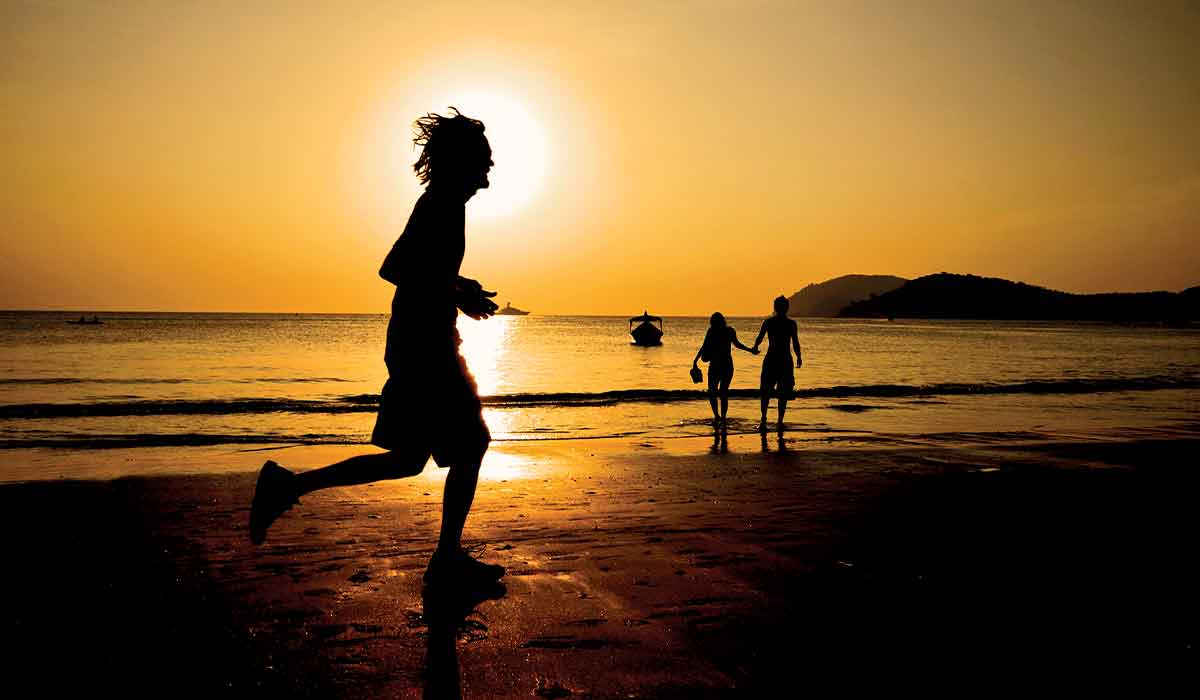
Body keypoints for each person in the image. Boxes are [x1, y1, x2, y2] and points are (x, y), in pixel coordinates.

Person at [249, 108, 504, 586]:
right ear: (462, 161)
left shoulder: (448, 203)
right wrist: (456, 291)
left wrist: (458, 287)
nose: (490, 168)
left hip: (422, 342)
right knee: (472, 444)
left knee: (408, 460)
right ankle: (445, 560)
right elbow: (393, 268)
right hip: (424, 347)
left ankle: (288, 486)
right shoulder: (441, 204)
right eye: (484, 159)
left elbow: (422, 272)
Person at [691, 312, 756, 423]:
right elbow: (737, 344)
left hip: (717, 365)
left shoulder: (714, 331)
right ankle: (721, 417)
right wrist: (750, 350)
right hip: (726, 365)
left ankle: (718, 417)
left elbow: (704, 346)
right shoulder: (728, 331)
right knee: (722, 392)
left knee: (713, 392)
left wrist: (696, 360)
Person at [751, 295, 802, 431]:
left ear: (775, 307)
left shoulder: (769, 322)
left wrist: (755, 347)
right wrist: (799, 356)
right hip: (783, 359)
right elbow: (795, 342)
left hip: (774, 359)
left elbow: (760, 338)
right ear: (786, 308)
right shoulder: (790, 323)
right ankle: (778, 421)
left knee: (766, 391)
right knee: (782, 392)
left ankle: (764, 420)